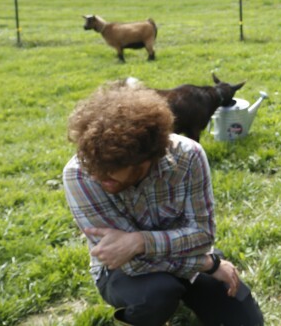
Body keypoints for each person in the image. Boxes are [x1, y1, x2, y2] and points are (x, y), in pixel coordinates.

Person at [63, 81, 264, 326]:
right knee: (157, 294)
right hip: (128, 272)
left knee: (246, 321)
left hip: (188, 255)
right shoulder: (79, 174)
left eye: (110, 173)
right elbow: (128, 261)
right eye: (93, 167)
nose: (97, 176)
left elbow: (202, 235)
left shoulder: (188, 156)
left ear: (146, 160)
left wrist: (139, 242)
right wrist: (207, 264)